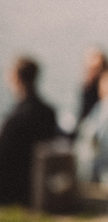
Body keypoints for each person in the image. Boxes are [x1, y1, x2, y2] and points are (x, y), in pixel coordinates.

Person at [0, 56, 58, 205]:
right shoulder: (48, 112)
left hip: (13, 190)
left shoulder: (15, 119)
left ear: (15, 78)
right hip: (38, 185)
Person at [76, 46, 108, 131]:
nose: (94, 72)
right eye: (91, 69)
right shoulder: (87, 86)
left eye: (97, 68)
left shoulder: (107, 86)